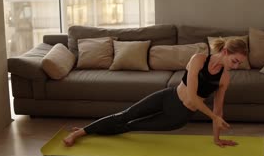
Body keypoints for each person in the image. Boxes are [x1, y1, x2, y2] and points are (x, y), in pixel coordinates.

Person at [63, 37, 248, 148]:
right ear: (224, 52)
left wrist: (217, 138)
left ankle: (91, 131)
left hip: (179, 116)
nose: (236, 66)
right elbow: (192, 95)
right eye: (235, 61)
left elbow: (218, 111)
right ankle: (81, 133)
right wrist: (213, 118)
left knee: (131, 125)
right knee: (126, 115)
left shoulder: (224, 78)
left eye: (239, 63)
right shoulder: (199, 59)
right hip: (168, 96)